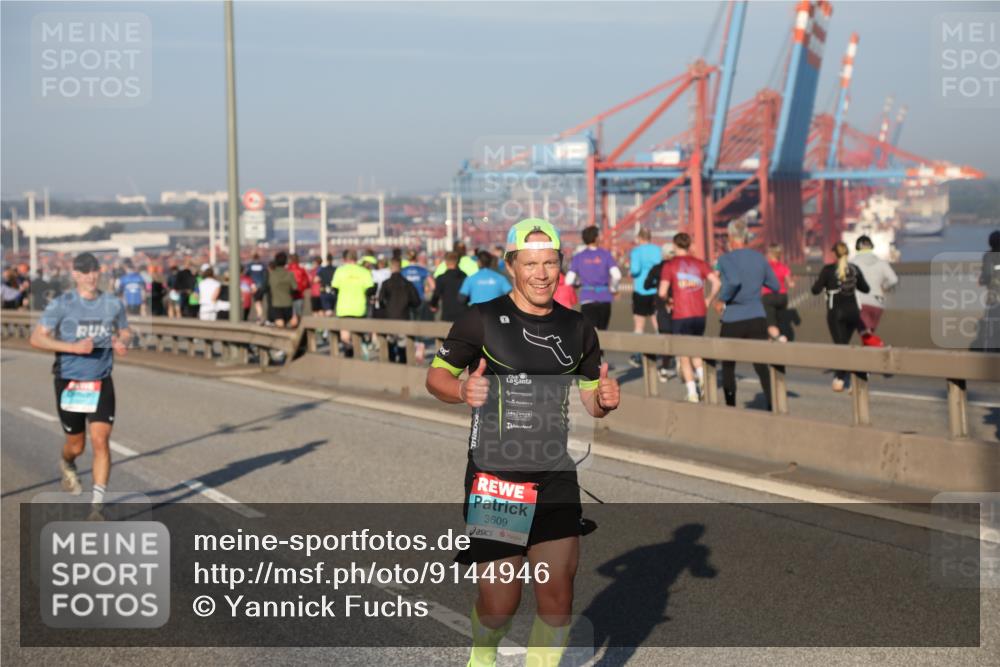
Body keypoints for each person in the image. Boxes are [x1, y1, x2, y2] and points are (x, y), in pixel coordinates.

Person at [425, 218, 620, 667]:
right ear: (512, 266)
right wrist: (459, 391)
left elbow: (592, 398)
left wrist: (605, 399)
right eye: (531, 263)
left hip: (555, 474)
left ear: (560, 266)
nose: (541, 273)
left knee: (557, 598)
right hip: (498, 478)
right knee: (499, 604)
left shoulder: (578, 328)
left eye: (550, 263)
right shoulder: (482, 320)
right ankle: (482, 654)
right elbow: (436, 376)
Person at [29, 252, 132, 521]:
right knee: (76, 445)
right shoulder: (61, 305)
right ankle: (67, 462)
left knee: (101, 440)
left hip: (100, 380)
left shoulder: (112, 303)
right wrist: (72, 347)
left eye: (94, 270)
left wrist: (122, 341)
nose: (91, 275)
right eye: (85, 271)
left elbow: (125, 330)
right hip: (70, 381)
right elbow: (37, 339)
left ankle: (96, 507)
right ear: (75, 274)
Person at [717, 219, 780, 409]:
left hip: (733, 318)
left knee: (728, 366)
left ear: (730, 237)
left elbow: (734, 281)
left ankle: (730, 406)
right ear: (746, 237)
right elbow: (775, 285)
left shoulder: (725, 259)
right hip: (756, 317)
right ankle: (772, 404)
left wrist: (722, 298)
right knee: (761, 365)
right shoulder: (759, 258)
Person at [658, 232, 720, 402]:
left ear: (675, 246)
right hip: (700, 313)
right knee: (696, 348)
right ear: (689, 245)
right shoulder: (700, 263)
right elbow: (717, 282)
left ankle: (692, 392)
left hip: (681, 314)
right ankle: (703, 379)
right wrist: (708, 300)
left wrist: (669, 300)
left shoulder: (669, 266)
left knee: (684, 354)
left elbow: (662, 292)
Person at [811, 241, 870, 392]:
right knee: (844, 345)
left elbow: (815, 290)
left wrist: (823, 284)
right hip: (853, 313)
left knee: (841, 347)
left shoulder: (828, 270)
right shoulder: (854, 269)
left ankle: (841, 378)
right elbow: (866, 288)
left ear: (834, 254)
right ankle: (849, 377)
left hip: (836, 313)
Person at [565, 225, 621, 332]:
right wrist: (614, 289)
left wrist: (578, 283)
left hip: (587, 298)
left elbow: (568, 280)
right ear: (596, 238)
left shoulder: (578, 256)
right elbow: (617, 275)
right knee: (603, 334)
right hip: (604, 298)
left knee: (590, 334)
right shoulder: (606, 254)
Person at [852, 235, 898, 344]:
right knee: (868, 334)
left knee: (864, 334)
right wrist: (884, 287)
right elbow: (894, 279)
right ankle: (869, 357)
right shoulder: (881, 263)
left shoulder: (853, 263)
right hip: (878, 303)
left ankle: (880, 346)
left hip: (860, 302)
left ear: (857, 247)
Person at [628, 227, 663, 367]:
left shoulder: (636, 251)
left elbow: (635, 270)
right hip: (656, 290)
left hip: (641, 290)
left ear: (639, 238)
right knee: (657, 322)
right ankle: (663, 352)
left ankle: (637, 355)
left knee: (639, 324)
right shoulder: (658, 250)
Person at [331, 249, 375, 358]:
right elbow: (370, 289)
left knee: (345, 337)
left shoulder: (339, 271)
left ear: (344, 259)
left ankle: (349, 356)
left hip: (344, 308)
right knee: (357, 335)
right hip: (359, 308)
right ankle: (361, 352)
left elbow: (334, 289)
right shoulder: (364, 271)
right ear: (356, 259)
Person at [378, 258, 421, 363]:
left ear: (390, 268)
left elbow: (380, 301)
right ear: (401, 268)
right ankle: (403, 368)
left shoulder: (386, 283)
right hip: (404, 318)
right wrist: (408, 304)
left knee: (391, 346)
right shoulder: (408, 284)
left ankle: (391, 367)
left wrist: (387, 308)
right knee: (403, 348)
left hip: (389, 319)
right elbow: (416, 302)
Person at [761, 244, 796, 342]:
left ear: (769, 254)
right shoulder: (784, 267)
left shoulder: (765, 267)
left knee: (769, 323)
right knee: (779, 321)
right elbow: (790, 284)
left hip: (768, 297)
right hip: (782, 297)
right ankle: (774, 338)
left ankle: (780, 339)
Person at [430, 252, 468, 322]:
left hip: (447, 314)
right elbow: (468, 296)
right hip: (463, 314)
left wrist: (433, 305)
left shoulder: (441, 278)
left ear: (446, 262)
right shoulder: (464, 277)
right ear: (458, 262)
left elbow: (436, 295)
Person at [266, 251, 297, 328]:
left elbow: (266, 287)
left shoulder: (271, 274)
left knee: (280, 325)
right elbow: (295, 287)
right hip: (288, 304)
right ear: (285, 262)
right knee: (291, 324)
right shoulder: (290, 274)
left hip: (276, 304)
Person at [287, 253, 310, 324]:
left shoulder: (287, 270)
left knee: (291, 314)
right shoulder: (302, 270)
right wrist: (302, 288)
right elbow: (307, 282)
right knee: (299, 314)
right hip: (300, 294)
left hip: (288, 295)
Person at [246, 253, 269, 322]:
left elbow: (247, 274)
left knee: (257, 301)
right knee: (260, 301)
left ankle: (259, 316)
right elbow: (266, 275)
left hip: (254, 286)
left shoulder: (250, 266)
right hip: (261, 286)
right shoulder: (263, 265)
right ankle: (260, 315)